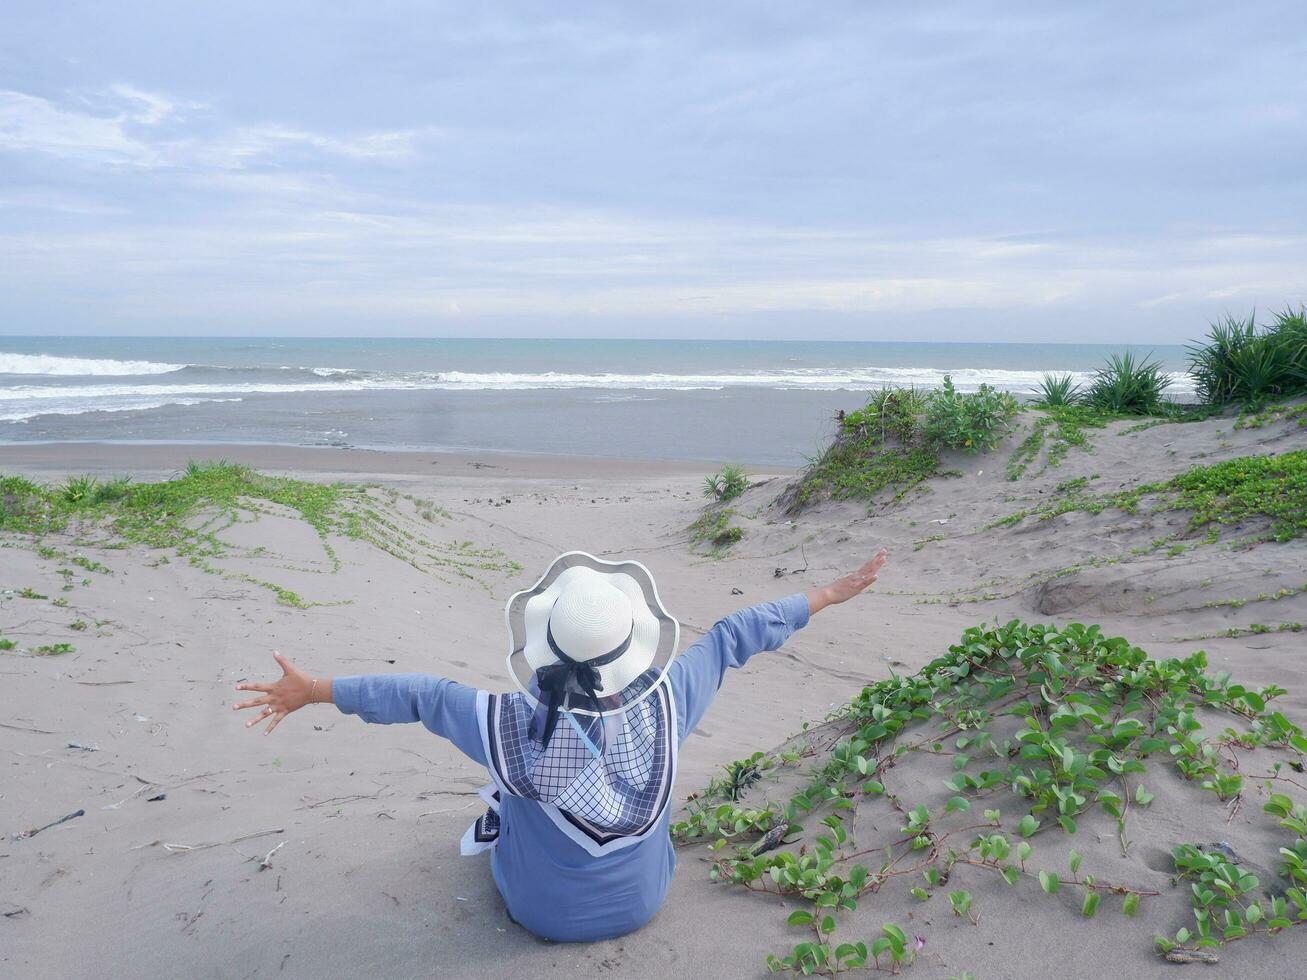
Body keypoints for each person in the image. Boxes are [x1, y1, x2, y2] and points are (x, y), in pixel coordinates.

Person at [233, 548, 887, 941]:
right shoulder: (667, 704)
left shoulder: (509, 723)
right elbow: (730, 637)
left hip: (539, 916)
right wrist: (825, 594)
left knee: (506, 792)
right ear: (633, 643)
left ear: (546, 647)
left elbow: (423, 696)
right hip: (642, 904)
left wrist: (315, 689)